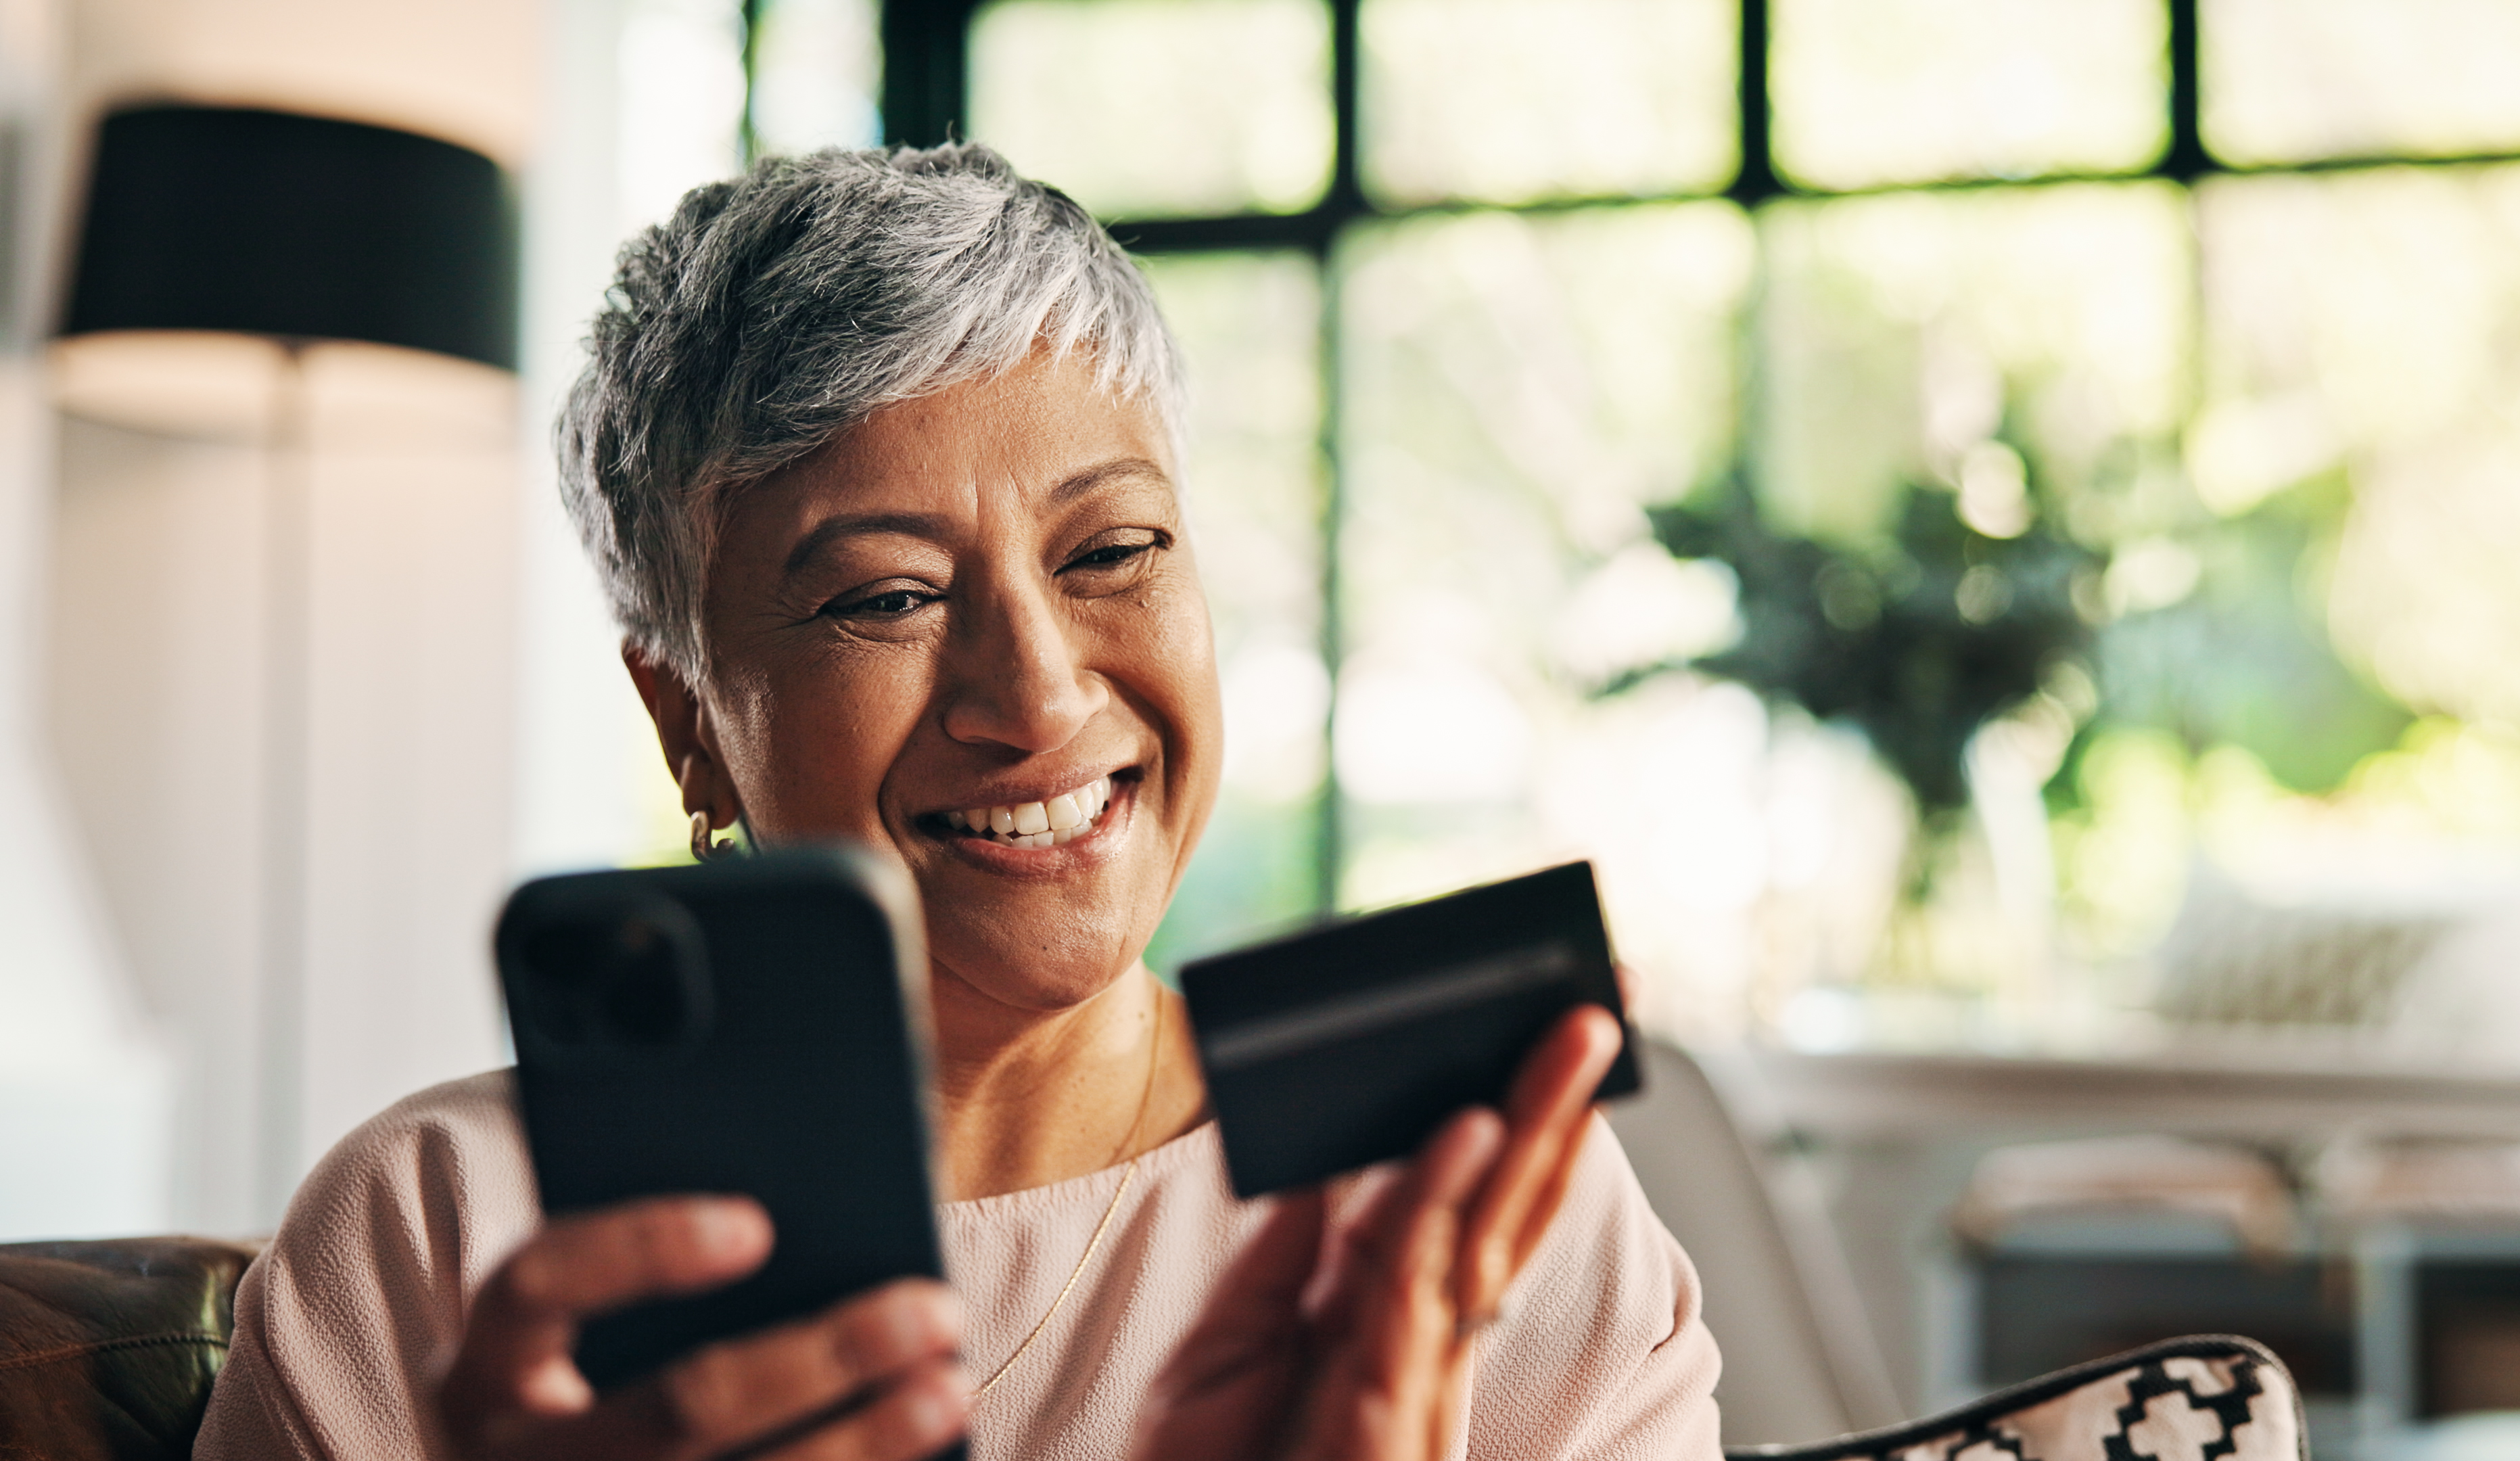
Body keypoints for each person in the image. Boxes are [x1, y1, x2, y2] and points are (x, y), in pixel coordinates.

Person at [191, 143, 1722, 1461]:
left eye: (1110, 553)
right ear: (688, 724)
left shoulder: (1464, 1189)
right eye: (887, 597)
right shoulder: (436, 1244)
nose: (1040, 697)